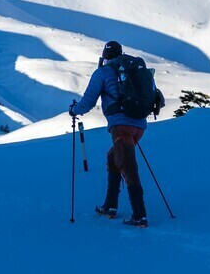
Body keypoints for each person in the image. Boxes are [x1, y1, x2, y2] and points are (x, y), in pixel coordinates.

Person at [68, 40, 163, 228]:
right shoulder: (133, 70)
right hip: (140, 125)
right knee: (113, 158)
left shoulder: (102, 73)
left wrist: (74, 110)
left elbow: (87, 103)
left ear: (104, 56)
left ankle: (139, 215)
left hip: (121, 126)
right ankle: (110, 206)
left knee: (128, 167)